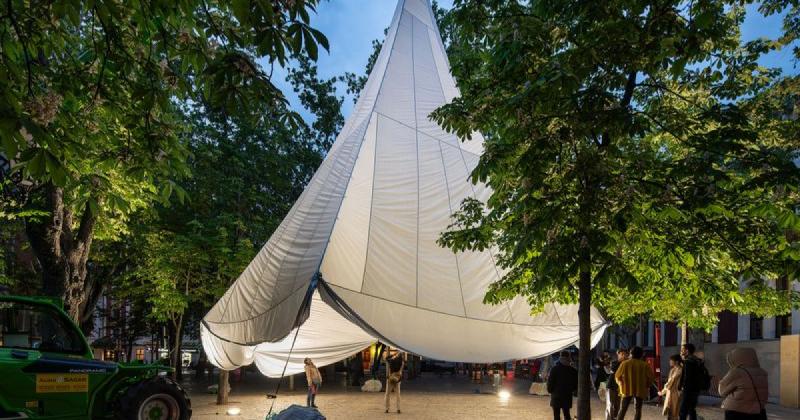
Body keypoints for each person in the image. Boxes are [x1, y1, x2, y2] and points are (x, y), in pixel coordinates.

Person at [718, 348, 768, 420]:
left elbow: (722, 392)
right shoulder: (762, 372)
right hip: (758, 411)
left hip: (737, 411)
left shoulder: (737, 372)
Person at [615, 346, 655, 420]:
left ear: (631, 354)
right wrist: (646, 385)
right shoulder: (644, 365)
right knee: (638, 409)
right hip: (640, 389)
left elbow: (617, 376)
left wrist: (621, 385)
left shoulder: (625, 363)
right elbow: (651, 378)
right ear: (641, 355)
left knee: (623, 409)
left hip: (626, 389)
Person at [547, 351, 578, 420]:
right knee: (567, 414)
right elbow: (575, 384)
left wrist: (550, 390)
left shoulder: (554, 369)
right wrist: (572, 390)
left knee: (556, 415)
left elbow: (550, 382)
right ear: (569, 358)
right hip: (567, 395)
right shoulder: (573, 370)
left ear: (560, 358)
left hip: (556, 395)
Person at [679, 343, 703, 420]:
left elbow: (687, 377)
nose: (681, 351)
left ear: (687, 351)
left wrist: (682, 387)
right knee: (691, 409)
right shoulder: (697, 361)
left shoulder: (688, 362)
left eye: (682, 350)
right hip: (696, 389)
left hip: (688, 389)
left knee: (683, 410)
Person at [606, 348, 629, 420]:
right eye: (622, 354)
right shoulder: (614, 362)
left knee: (617, 405)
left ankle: (615, 418)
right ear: (618, 354)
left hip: (620, 387)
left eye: (625, 354)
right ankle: (610, 419)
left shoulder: (626, 363)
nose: (624, 355)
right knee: (610, 404)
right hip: (611, 386)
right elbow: (614, 370)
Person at [659, 354, 683, 420]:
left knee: (675, 411)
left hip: (676, 393)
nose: (670, 362)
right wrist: (663, 391)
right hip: (670, 393)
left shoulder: (681, 370)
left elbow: (670, 382)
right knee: (670, 411)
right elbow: (669, 383)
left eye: (671, 360)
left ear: (677, 362)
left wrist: (663, 391)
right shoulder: (672, 370)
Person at [385, 350, 404, 414]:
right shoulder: (401, 362)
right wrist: (399, 379)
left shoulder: (391, 360)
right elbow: (401, 372)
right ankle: (398, 409)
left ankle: (387, 408)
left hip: (390, 378)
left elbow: (386, 358)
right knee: (398, 394)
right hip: (397, 379)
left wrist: (393, 355)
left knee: (387, 394)